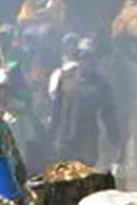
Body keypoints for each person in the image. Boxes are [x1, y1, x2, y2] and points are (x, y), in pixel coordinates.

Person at [48, 37, 125, 169]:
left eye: (90, 58)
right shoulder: (65, 78)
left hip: (88, 141)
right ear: (78, 58)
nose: (87, 61)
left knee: (85, 175)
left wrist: (116, 142)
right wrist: (50, 134)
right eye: (83, 57)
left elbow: (108, 116)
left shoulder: (101, 84)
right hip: (66, 138)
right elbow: (57, 109)